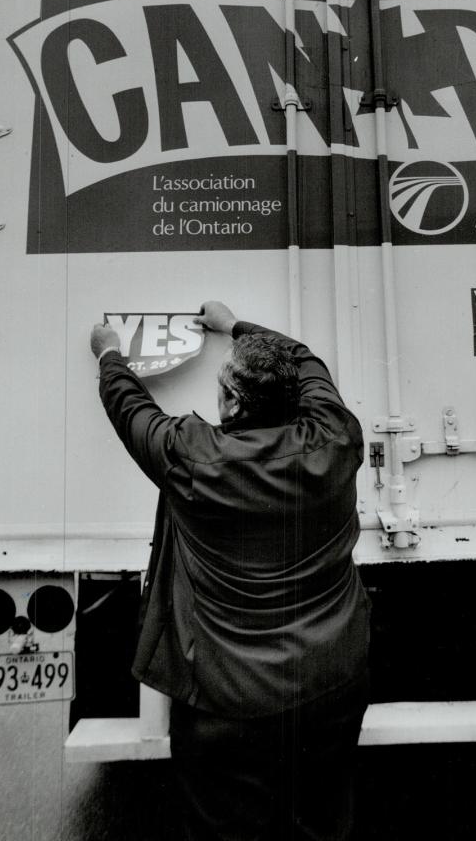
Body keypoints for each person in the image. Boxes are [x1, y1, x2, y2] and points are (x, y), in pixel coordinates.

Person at [90, 301, 371, 841]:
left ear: (232, 401)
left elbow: (131, 411)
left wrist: (109, 355)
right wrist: (236, 325)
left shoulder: (192, 456)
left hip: (230, 698)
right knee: (322, 819)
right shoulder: (337, 437)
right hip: (333, 680)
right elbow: (304, 358)